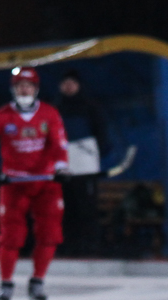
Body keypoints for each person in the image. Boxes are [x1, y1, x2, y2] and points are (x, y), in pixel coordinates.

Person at [0, 66, 69, 300]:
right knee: (11, 237)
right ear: (13, 90)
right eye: (20, 86)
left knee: (50, 233)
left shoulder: (49, 114)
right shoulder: (1, 116)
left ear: (36, 89)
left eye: (29, 86)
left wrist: (61, 167)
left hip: (45, 183)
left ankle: (37, 281)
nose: (24, 90)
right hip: (14, 184)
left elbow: (59, 144)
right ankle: (6, 283)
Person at [55, 69, 109, 257]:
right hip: (64, 167)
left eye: (72, 83)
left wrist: (93, 156)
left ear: (79, 85)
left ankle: (90, 247)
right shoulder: (56, 109)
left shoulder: (91, 107)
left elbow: (102, 135)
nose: (69, 87)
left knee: (87, 207)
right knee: (67, 208)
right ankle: (68, 246)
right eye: (65, 83)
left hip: (86, 167)